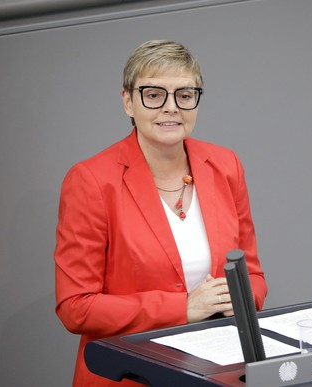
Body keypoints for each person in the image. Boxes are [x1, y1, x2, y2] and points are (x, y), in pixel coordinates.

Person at [54, 40, 268, 386]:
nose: (171, 108)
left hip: (216, 373)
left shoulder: (225, 165)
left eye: (184, 95)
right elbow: (76, 307)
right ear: (128, 101)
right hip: (130, 376)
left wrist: (238, 298)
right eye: (154, 95)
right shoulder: (91, 180)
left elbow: (254, 279)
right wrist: (183, 307)